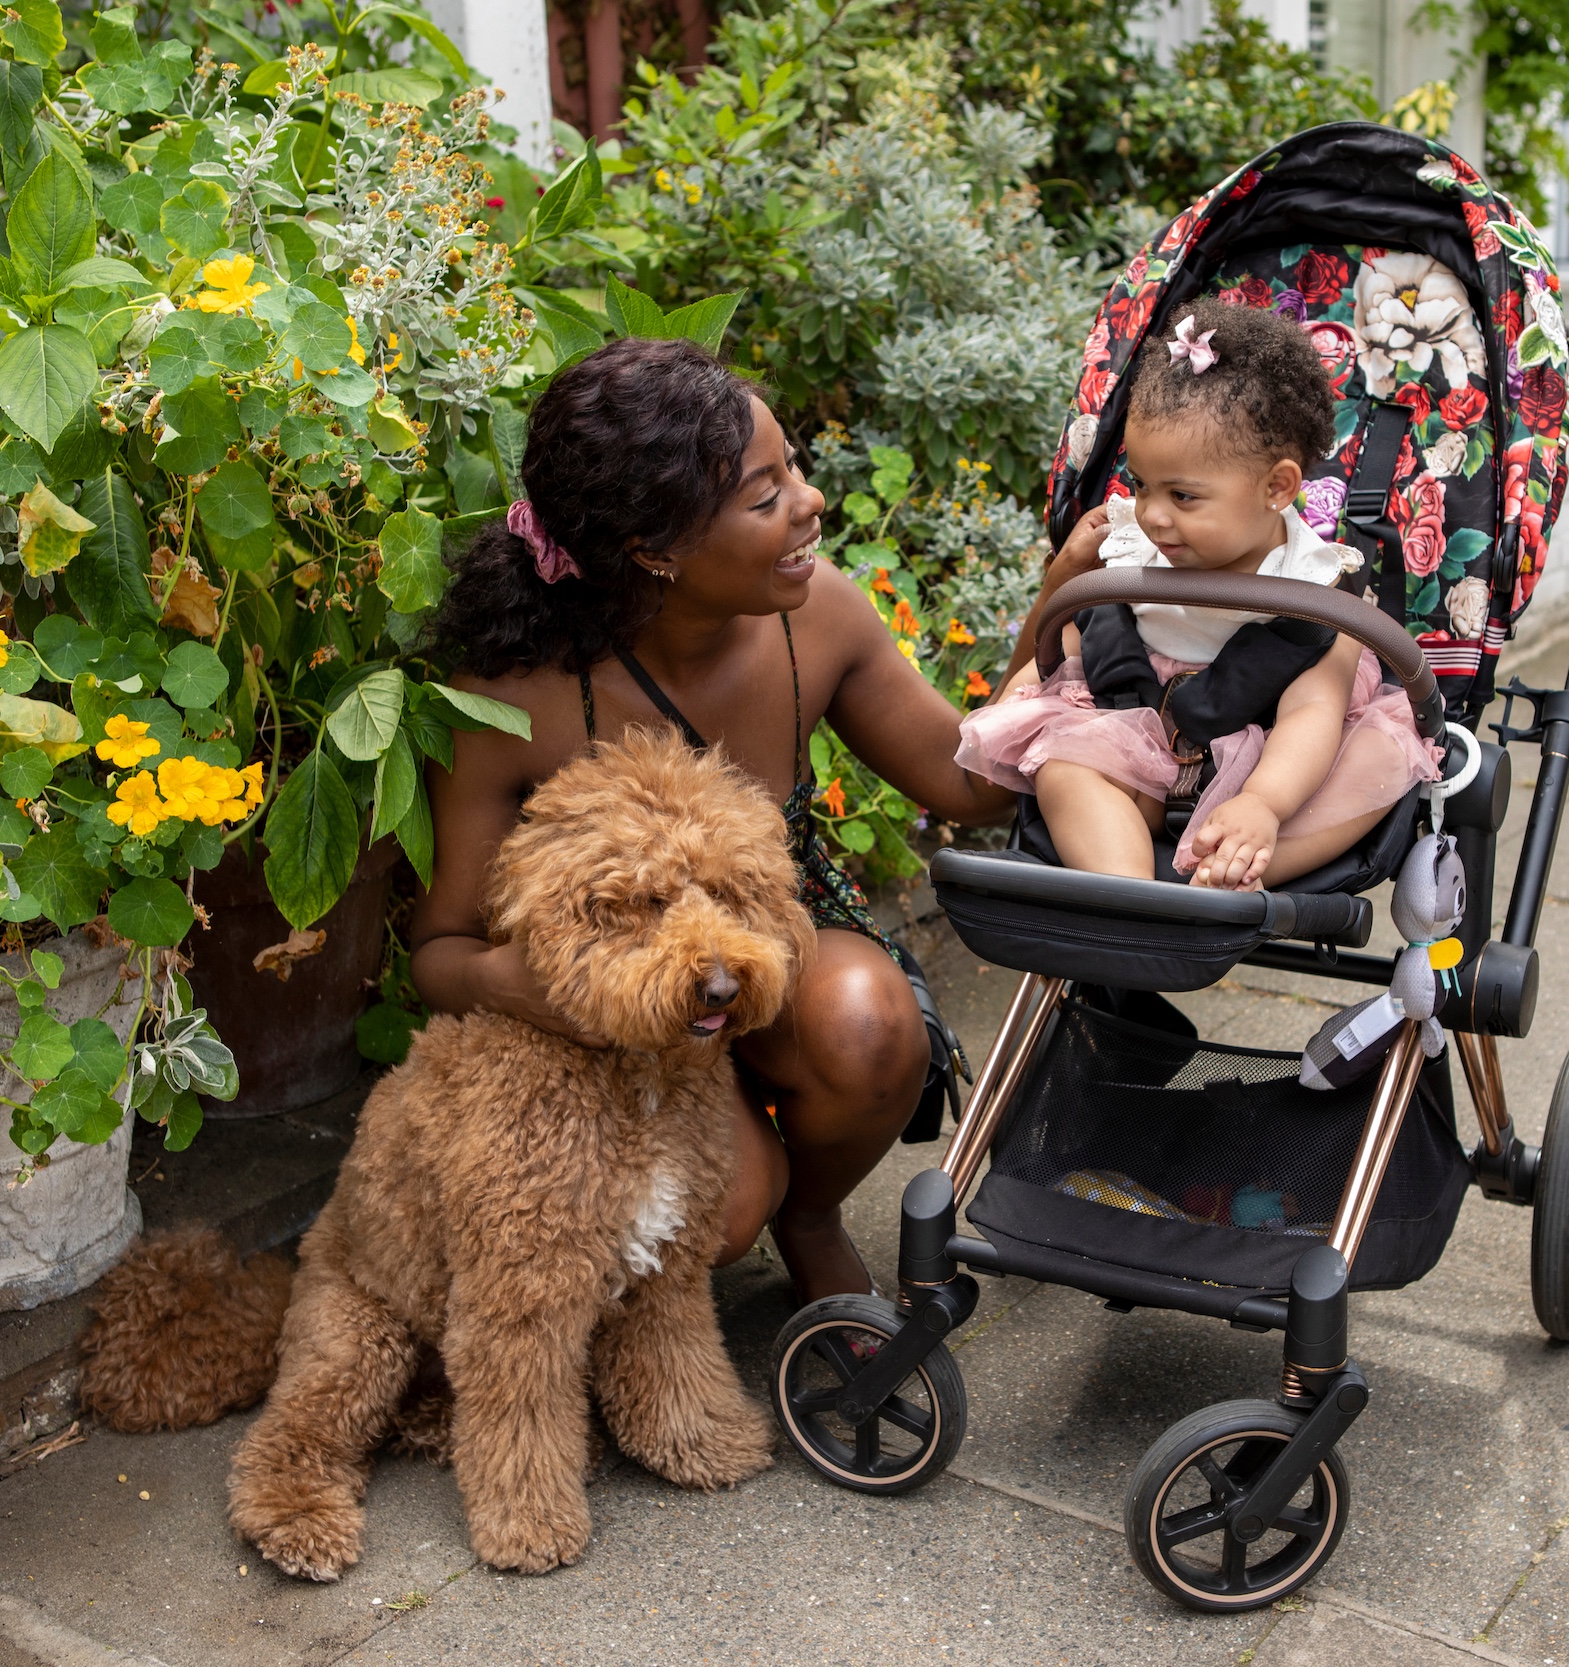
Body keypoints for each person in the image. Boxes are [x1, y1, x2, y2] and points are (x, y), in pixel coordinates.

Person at [411, 336, 1102, 1304]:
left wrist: (1063, 594)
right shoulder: (514, 697)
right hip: (613, 1015)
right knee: (723, 1212)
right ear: (654, 549)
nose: (810, 502)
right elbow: (438, 950)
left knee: (869, 1027)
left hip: (773, 944)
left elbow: (970, 784)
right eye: (765, 495)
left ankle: (810, 1214)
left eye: (795, 471)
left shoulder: (816, 618)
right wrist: (536, 987)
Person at [956, 299, 1439, 891]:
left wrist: (1263, 802)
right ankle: (1129, 896)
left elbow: (1311, 714)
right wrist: (1030, 685)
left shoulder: (1316, 592)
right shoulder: (1130, 553)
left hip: (1275, 768)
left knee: (1378, 763)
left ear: (1277, 487)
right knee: (1063, 763)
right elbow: (1083, 638)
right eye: (1141, 485)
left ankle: (1230, 871)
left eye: (1182, 496)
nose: (1153, 515)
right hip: (1133, 742)